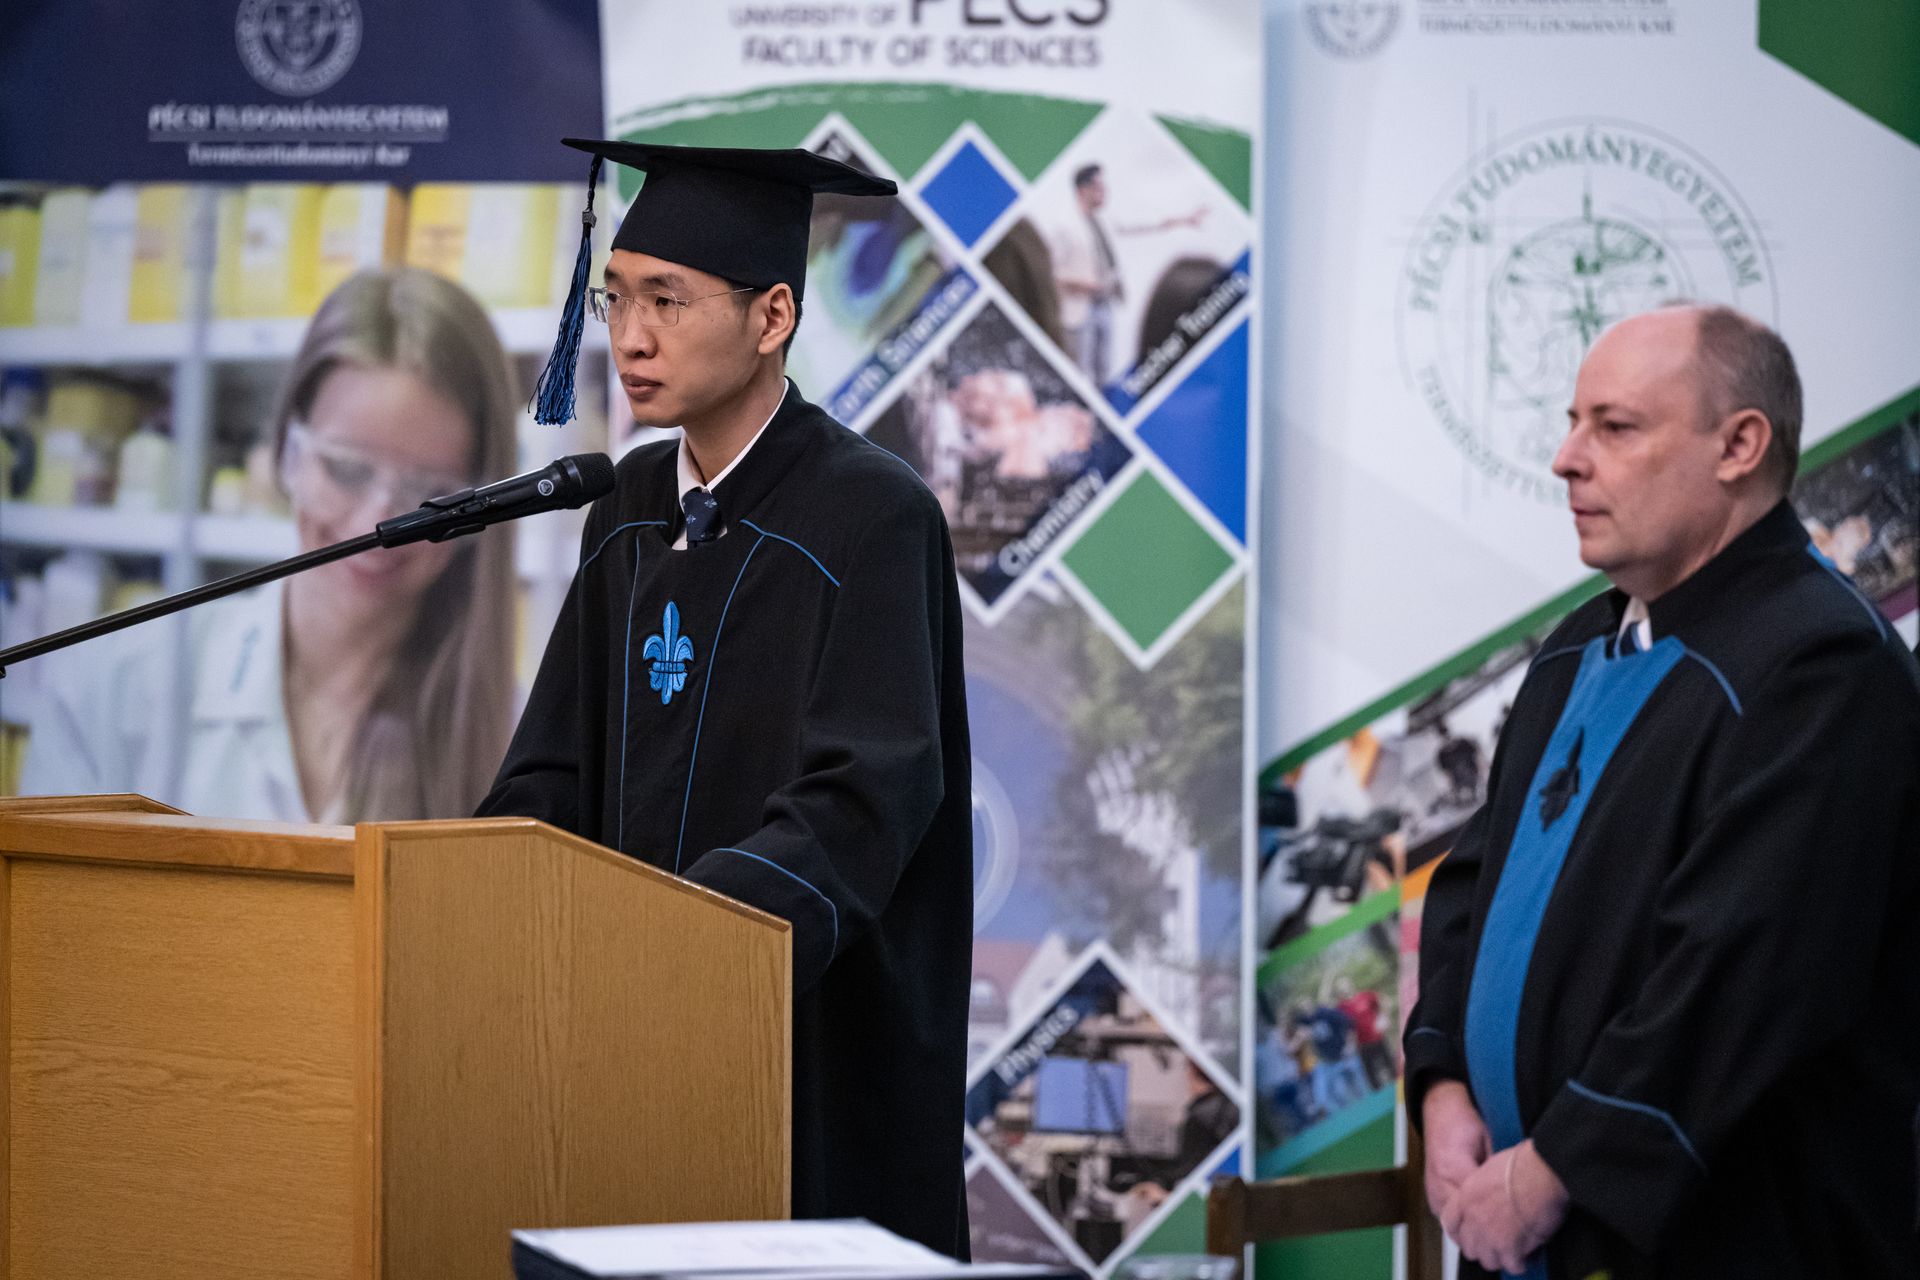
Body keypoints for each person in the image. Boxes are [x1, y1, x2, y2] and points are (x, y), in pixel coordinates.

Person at [477, 140, 973, 1257]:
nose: (630, 336)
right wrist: (475, 897)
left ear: (773, 315)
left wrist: (678, 945)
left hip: (803, 1047)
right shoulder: (626, 508)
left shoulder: (872, 516)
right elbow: (553, 769)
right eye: (615, 298)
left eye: (667, 299)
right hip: (619, 1043)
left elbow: (863, 801)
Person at [1403, 304, 1920, 1278]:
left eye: (1615, 426)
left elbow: (1740, 974)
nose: (1565, 458)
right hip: (1521, 1236)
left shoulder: (1823, 668)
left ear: (1738, 446)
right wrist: (1443, 1087)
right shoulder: (1572, 651)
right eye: (1572, 422)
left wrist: (1552, 1172)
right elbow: (1470, 889)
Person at [22, 267, 518, 821]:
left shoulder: (516, 744)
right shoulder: (111, 688)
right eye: (347, 469)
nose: (379, 522)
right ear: (287, 450)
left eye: (430, 494)